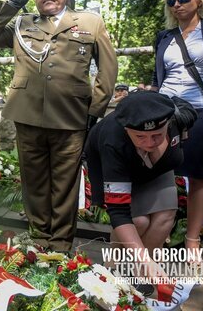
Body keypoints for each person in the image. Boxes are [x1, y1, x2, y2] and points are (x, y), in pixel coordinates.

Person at [0, 0, 118, 251]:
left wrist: (95, 109)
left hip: (71, 116)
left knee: (65, 186)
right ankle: (39, 239)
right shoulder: (21, 24)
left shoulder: (89, 22)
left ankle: (61, 244)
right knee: (34, 181)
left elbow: (108, 68)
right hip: (27, 116)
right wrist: (13, 4)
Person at [84, 91, 196, 293]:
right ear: (127, 130)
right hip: (119, 166)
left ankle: (142, 273)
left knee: (165, 216)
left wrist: (145, 262)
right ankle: (114, 271)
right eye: (141, 137)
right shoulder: (113, 140)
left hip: (158, 169)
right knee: (139, 221)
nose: (150, 143)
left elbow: (189, 113)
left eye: (157, 136)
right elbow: (119, 212)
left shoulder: (180, 116)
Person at [152, 0, 203, 253]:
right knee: (160, 171)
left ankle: (192, 239)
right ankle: (160, 230)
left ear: (199, 0)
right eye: (171, 1)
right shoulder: (164, 37)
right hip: (166, 111)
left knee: (199, 175)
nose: (177, 4)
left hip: (202, 110)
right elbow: (158, 77)